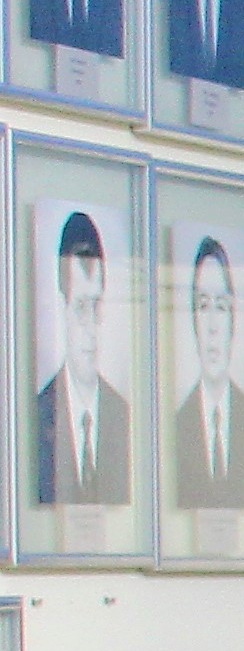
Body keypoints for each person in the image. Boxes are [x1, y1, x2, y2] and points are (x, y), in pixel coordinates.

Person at [34, 207, 123, 509]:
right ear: (63, 307)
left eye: (96, 305)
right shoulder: (36, 417)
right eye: (81, 307)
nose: (91, 326)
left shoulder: (124, 417)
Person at [169, 230, 244, 514]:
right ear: (193, 318)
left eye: (221, 307)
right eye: (204, 306)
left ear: (234, 318)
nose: (213, 327)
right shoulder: (177, 423)